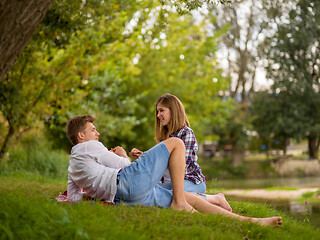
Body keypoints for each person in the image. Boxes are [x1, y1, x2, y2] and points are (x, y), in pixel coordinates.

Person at [65, 114, 283, 228]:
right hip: (127, 183)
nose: (98, 132)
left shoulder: (72, 164)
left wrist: (93, 194)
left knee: (187, 197)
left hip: (124, 196)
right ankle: (179, 204)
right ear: (81, 136)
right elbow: (124, 167)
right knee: (176, 143)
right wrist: (122, 153)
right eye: (93, 130)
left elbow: (74, 196)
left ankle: (253, 222)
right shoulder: (90, 146)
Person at [130, 93, 232, 212]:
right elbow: (160, 163)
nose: (158, 115)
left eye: (161, 111)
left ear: (173, 111)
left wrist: (152, 158)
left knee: (173, 195)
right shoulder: (164, 138)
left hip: (190, 181)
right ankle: (213, 198)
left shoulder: (186, 133)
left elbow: (180, 165)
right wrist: (144, 156)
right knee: (153, 191)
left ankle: (215, 199)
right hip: (171, 184)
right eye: (157, 112)